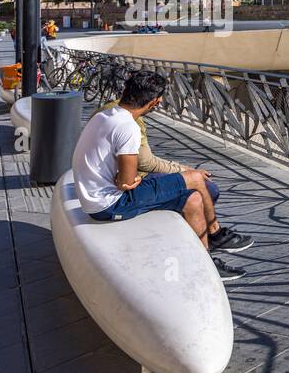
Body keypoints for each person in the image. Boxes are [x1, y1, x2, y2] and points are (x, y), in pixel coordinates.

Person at [72, 71, 249, 280]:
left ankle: (204, 261)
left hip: (94, 198)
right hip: (110, 205)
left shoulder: (105, 115)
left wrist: (126, 179)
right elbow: (126, 182)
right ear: (154, 102)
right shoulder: (128, 127)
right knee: (197, 178)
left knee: (193, 199)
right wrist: (132, 180)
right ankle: (216, 234)